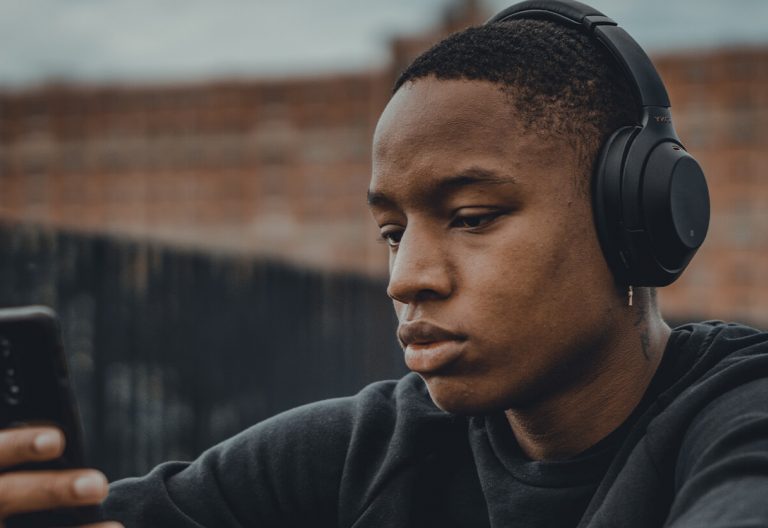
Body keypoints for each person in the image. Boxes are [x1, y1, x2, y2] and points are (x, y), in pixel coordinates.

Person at [1, 1, 767, 526]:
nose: (406, 278)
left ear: (632, 221)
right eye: (392, 232)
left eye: (471, 218)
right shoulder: (370, 450)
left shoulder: (743, 420)